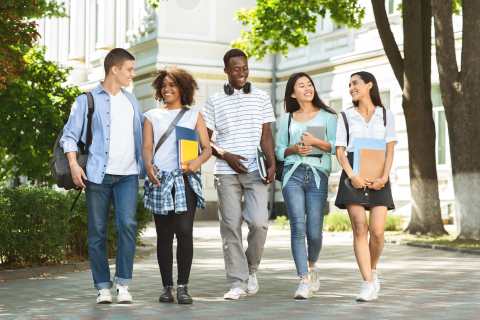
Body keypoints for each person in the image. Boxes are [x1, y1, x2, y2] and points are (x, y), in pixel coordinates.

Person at [60, 48, 143, 304]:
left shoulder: (132, 101)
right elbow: (69, 136)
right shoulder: (86, 100)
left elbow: (141, 136)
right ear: (114, 69)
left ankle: (124, 283)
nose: (132, 74)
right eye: (129, 69)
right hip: (97, 175)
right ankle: (102, 286)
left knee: (127, 226)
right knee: (97, 232)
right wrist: (74, 165)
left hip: (128, 174)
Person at [202, 48, 276, 300]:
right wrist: (226, 156)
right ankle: (236, 281)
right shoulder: (213, 100)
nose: (241, 72)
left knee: (259, 223)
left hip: (256, 170)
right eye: (236, 68)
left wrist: (272, 163)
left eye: (245, 68)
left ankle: (250, 269)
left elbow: (266, 136)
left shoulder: (262, 97)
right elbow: (206, 141)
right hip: (226, 173)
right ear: (226, 70)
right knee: (230, 227)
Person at [143, 67, 211, 304]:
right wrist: (148, 166)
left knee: (184, 232)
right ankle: (166, 287)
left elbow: (207, 148)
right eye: (164, 85)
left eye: (172, 85)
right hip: (161, 180)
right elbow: (147, 147)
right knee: (163, 235)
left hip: (185, 180)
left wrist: (196, 163)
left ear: (183, 88)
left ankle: (183, 287)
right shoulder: (151, 115)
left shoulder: (194, 116)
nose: (167, 89)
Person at [335, 71, 396, 302]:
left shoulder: (386, 115)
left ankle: (373, 270)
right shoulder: (345, 116)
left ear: (370, 84)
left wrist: (385, 176)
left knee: (378, 232)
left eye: (355, 83)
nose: (351, 87)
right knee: (360, 228)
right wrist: (352, 176)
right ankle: (367, 282)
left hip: (380, 176)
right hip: (353, 176)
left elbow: (390, 149)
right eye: (349, 84)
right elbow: (340, 150)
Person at [275, 72, 337, 299]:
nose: (307, 88)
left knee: (314, 231)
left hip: (318, 174)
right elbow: (279, 150)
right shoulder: (287, 119)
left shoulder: (329, 117)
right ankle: (303, 279)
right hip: (293, 175)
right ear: (293, 93)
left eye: (309, 84)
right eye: (301, 85)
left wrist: (314, 143)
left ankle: (312, 266)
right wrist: (294, 149)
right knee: (297, 227)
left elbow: (334, 147)